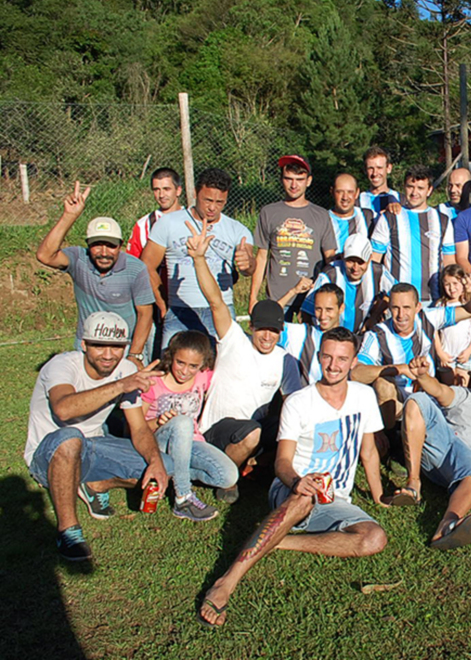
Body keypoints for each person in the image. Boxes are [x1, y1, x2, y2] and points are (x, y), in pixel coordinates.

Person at [197, 327, 387, 628]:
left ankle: (276, 540)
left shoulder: (364, 396)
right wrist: (297, 481)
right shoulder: (299, 401)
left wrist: (377, 495)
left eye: (341, 359)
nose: (333, 365)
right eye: (327, 357)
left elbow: (369, 453)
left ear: (353, 362)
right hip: (292, 490)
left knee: (374, 538)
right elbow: (282, 462)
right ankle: (227, 581)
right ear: (319, 357)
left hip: (335, 498)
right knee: (303, 497)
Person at [25, 311, 170, 561]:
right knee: (69, 437)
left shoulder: (125, 369)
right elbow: (64, 409)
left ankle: (95, 484)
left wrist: (156, 462)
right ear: (84, 345)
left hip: (92, 446)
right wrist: (120, 385)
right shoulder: (61, 365)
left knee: (167, 465)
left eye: (116, 347)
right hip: (48, 454)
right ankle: (68, 530)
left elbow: (138, 427)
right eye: (99, 345)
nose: (108, 354)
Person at [186, 220, 285, 499]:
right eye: (262, 329)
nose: (267, 336)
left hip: (253, 430)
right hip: (220, 429)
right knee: (252, 432)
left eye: (274, 331)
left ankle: (255, 464)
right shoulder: (233, 340)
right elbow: (216, 300)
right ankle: (226, 477)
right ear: (251, 327)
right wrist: (199, 259)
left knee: (292, 422)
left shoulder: (283, 358)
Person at [394, 353, 471, 551]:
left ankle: (447, 526)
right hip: (442, 444)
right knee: (418, 399)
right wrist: (423, 377)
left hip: (469, 461)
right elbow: (440, 391)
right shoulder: (464, 395)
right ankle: (414, 484)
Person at [36, 181, 155, 367]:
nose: (104, 252)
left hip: (123, 348)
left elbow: (145, 313)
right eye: (97, 245)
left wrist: (135, 355)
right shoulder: (78, 259)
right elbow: (45, 255)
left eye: (111, 245)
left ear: (120, 245)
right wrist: (69, 216)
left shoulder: (135, 268)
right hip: (87, 347)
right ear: (88, 245)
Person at [352, 276, 471, 432]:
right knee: (383, 384)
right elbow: (356, 373)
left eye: (406, 307)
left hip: (425, 392)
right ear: (389, 307)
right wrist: (400, 369)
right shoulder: (377, 334)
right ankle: (390, 436)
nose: (401, 315)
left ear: (417, 307)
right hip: (396, 400)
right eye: (395, 308)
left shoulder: (428, 317)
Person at [142, 168, 255, 348]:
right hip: (180, 310)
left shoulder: (237, 230)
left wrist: (247, 262)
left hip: (221, 311)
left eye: (220, 202)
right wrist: (163, 304)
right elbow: (147, 265)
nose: (212, 207)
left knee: (220, 370)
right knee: (173, 368)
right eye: (208, 200)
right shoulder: (168, 223)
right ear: (195, 193)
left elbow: (249, 268)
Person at [140, 330, 237, 521]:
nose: (185, 371)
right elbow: (135, 427)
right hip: (158, 441)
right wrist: (158, 422)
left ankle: (172, 473)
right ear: (171, 357)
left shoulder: (203, 377)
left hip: (190, 442)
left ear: (203, 365)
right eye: (180, 363)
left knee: (228, 477)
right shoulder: (154, 382)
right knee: (182, 421)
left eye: (193, 366)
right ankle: (183, 497)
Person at [249, 155, 336, 318]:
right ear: (282, 180)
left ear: (309, 181)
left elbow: (330, 258)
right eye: (289, 179)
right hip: (278, 297)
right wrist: (253, 297)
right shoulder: (269, 212)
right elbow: (261, 258)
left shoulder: (321, 215)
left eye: (299, 179)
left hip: (311, 297)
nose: (294, 185)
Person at [370, 165, 455, 303]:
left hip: (432, 299)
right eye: (410, 186)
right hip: (397, 300)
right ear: (404, 187)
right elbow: (374, 260)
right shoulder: (390, 217)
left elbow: (449, 262)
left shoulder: (443, 221)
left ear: (429, 190)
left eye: (420, 188)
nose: (415, 192)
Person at [302, 233, 393, 332]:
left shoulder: (378, 272)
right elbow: (307, 310)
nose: (355, 268)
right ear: (342, 257)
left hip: (360, 335)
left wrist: (374, 316)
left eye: (360, 262)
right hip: (331, 336)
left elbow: (396, 293)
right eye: (350, 261)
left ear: (369, 259)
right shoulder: (330, 274)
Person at [434, 265, 471, 386]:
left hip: (464, 355)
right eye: (447, 284)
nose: (452, 288)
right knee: (448, 390)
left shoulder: (470, 303)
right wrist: (440, 353)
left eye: (455, 283)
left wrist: (469, 351)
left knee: (462, 389)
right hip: (447, 356)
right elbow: (434, 331)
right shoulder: (440, 305)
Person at [127, 167, 184, 258]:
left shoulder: (193, 219)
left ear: (178, 191)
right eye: (156, 190)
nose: (161, 195)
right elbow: (132, 261)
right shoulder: (143, 225)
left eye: (166, 189)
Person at [326, 172, 375, 255]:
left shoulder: (367, 217)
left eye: (350, 192)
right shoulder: (323, 218)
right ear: (332, 192)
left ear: (357, 193)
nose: (345, 197)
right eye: (340, 192)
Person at [360, 146, 401, 214]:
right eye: (371, 168)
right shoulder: (357, 202)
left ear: (389, 168)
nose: (375, 173)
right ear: (365, 170)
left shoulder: (401, 200)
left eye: (379, 168)